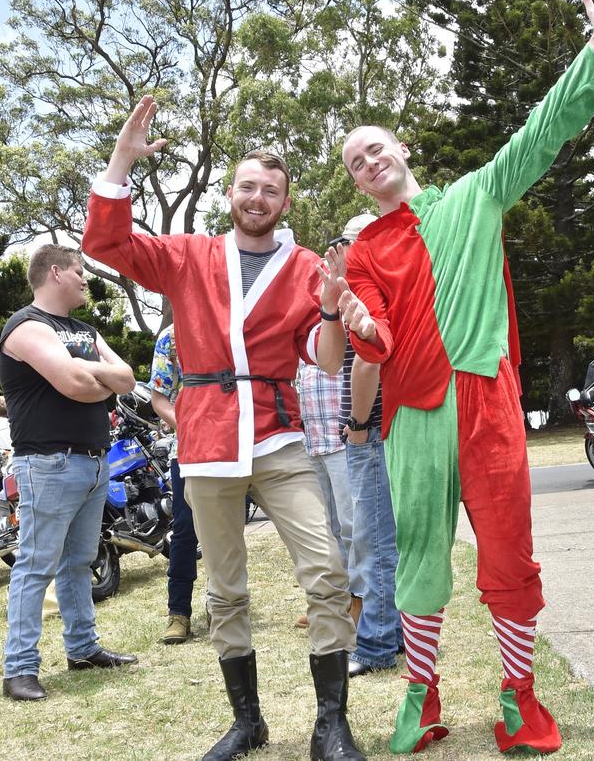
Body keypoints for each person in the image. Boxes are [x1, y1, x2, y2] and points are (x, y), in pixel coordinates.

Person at [332, 0, 594, 755]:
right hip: (414, 417)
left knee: (508, 550)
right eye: (354, 164)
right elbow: (376, 343)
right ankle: (421, 696)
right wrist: (356, 318)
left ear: (402, 150)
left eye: (375, 150)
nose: (369, 164)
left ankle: (518, 696)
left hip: (487, 404)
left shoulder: (475, 195)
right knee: (421, 562)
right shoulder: (362, 249)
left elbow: (542, 132)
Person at [82, 123, 366, 760]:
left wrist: (327, 307)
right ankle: (248, 722)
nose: (257, 198)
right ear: (229, 193)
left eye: (270, 190)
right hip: (208, 436)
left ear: (284, 202)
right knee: (225, 588)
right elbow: (106, 241)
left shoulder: (305, 266)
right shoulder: (189, 255)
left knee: (325, 569)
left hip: (277, 434)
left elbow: (324, 361)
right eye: (247, 187)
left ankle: (331, 723)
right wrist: (123, 159)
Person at [0, 244, 137, 703]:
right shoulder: (24, 326)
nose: (85, 279)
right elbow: (77, 386)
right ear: (55, 273)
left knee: (78, 563)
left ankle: (82, 648)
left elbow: (128, 378)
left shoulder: (84, 330)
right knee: (36, 565)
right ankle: (19, 669)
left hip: (95, 462)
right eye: (79, 271)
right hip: (48, 463)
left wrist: (84, 366)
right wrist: (94, 375)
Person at [332, 215, 402, 677]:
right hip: (384, 430)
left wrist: (357, 424)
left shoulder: (365, 292)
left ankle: (376, 644)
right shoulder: (380, 289)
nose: (341, 252)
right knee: (383, 539)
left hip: (372, 431)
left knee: (374, 542)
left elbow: (365, 364)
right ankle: (392, 633)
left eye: (348, 242)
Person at [297, 360, 361, 629]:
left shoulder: (336, 319)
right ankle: (338, 601)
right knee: (326, 531)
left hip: (341, 439)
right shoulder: (299, 320)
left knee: (353, 527)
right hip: (310, 441)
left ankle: (361, 602)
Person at [148, 322, 200, 644]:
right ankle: (178, 613)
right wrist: (191, 427)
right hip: (188, 450)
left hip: (229, 448)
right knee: (183, 529)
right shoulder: (170, 336)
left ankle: (222, 603)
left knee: (226, 526)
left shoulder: (227, 317)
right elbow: (159, 398)